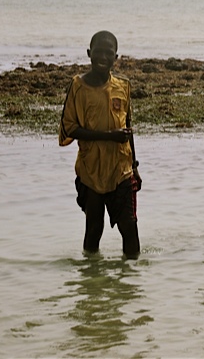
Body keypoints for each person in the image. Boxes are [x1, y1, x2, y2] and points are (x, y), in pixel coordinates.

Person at [59, 30, 142, 259]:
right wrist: (108, 136)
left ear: (116, 57)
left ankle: (131, 285)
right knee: (94, 229)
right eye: (99, 52)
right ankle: (91, 285)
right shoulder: (78, 86)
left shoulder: (123, 86)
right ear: (89, 54)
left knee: (130, 228)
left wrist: (134, 167)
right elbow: (70, 128)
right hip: (91, 170)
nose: (103, 57)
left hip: (121, 169)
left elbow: (127, 127)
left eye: (109, 53)